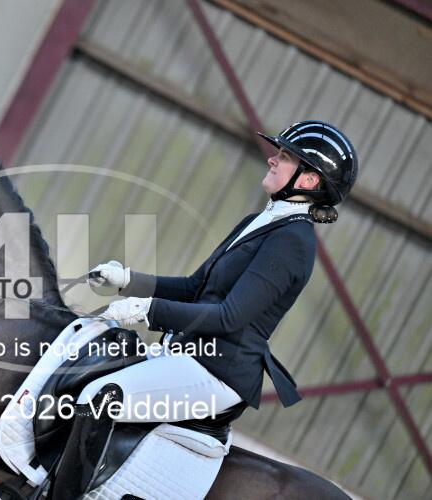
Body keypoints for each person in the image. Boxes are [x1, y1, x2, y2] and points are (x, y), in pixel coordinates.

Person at [49, 120, 359, 499]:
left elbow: (229, 316)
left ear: (309, 180)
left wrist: (148, 311)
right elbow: (196, 287)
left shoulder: (293, 241)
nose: (272, 160)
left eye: (284, 157)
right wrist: (128, 280)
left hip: (218, 372)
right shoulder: (259, 222)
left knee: (100, 398)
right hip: (190, 354)